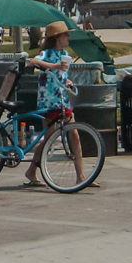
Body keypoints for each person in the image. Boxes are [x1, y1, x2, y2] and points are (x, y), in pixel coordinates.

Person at [22, 21, 95, 188]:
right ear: (57, 38)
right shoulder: (47, 53)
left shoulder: (64, 54)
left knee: (74, 134)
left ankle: (81, 176)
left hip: (62, 100)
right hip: (49, 102)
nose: (68, 37)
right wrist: (54, 66)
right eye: (66, 35)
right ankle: (31, 171)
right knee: (49, 138)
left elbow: (58, 75)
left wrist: (66, 80)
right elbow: (33, 61)